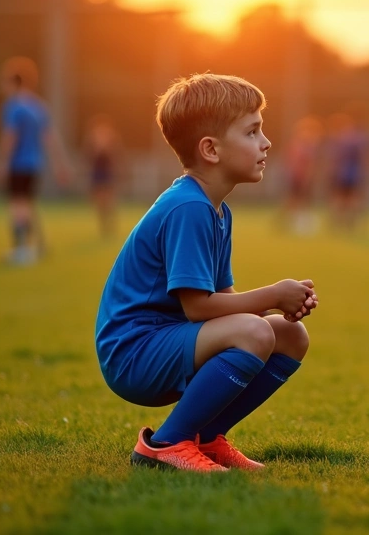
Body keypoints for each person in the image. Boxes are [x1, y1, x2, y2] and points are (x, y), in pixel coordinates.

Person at [95, 73, 319, 472]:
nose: (266, 143)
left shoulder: (216, 210)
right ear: (211, 149)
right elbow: (199, 308)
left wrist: (283, 306)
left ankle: (207, 439)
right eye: (252, 132)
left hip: (167, 342)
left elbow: (226, 304)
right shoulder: (189, 208)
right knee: (255, 331)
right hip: (133, 352)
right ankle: (164, 444)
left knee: (289, 336)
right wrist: (272, 295)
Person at [0, 57, 71, 265]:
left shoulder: (14, 106)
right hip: (35, 164)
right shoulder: (38, 106)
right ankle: (39, 244)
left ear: (12, 82)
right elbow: (50, 138)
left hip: (19, 163)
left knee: (18, 205)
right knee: (27, 204)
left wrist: (1, 163)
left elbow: (10, 137)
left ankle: (22, 249)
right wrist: (60, 165)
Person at [326, 110, 369, 233]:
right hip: (355, 173)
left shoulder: (338, 139)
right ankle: (353, 225)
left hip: (341, 173)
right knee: (355, 199)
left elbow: (333, 157)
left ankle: (337, 225)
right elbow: (364, 156)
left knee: (339, 199)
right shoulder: (358, 138)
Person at [279, 115, 322, 236]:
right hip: (300, 177)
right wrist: (306, 178)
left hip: (295, 176)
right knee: (299, 200)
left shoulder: (296, 144)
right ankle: (296, 222)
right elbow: (307, 163)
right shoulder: (305, 146)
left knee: (294, 199)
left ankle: (288, 221)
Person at [85, 113, 120, 238]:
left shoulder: (110, 138)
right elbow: (89, 155)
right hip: (97, 172)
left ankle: (110, 223)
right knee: (98, 199)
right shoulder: (92, 139)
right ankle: (103, 224)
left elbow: (114, 155)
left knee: (108, 198)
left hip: (107, 172)